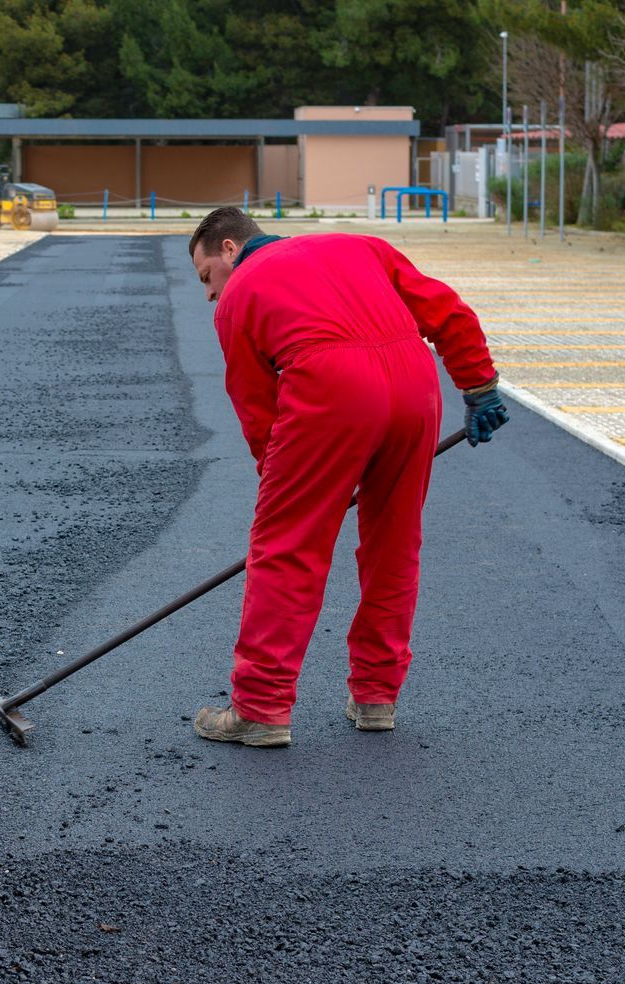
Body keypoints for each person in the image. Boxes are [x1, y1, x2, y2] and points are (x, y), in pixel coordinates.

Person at [186, 206, 508, 749]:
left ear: (229, 250)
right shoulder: (362, 247)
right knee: (394, 544)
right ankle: (377, 697)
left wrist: (293, 491)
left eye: (205, 278)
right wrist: (479, 387)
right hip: (414, 386)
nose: (210, 294)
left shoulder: (239, 297)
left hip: (330, 391)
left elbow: (257, 410)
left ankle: (261, 708)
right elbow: (447, 311)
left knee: (286, 548)